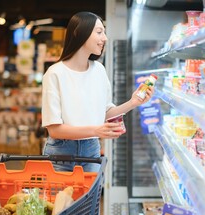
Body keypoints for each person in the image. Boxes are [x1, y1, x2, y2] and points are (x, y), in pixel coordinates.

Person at [41, 11, 154, 172]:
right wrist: (96, 130)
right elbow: (55, 130)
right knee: (59, 198)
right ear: (79, 32)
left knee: (90, 198)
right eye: (99, 32)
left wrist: (133, 102)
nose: (105, 39)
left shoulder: (99, 70)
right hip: (61, 153)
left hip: (91, 149)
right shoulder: (54, 73)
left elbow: (105, 113)